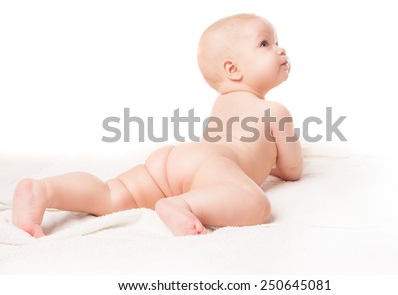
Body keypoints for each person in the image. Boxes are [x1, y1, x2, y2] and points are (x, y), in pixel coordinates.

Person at [12, 13, 303, 237]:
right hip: (211, 166)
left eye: (277, 42)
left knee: (111, 195)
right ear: (232, 69)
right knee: (257, 204)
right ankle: (184, 205)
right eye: (265, 43)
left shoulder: (221, 104)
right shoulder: (274, 111)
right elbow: (292, 170)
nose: (280, 50)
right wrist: (269, 163)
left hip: (172, 159)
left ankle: (44, 190)